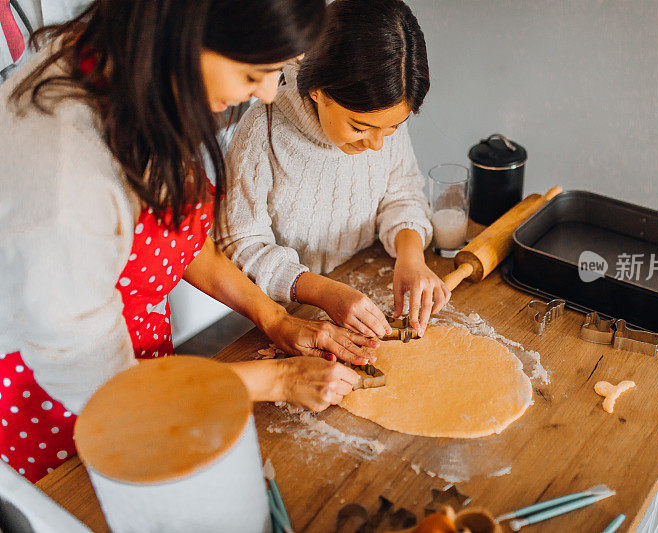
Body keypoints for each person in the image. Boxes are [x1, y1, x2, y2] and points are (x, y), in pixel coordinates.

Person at [0, 0, 375, 483]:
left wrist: (275, 318)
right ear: (186, 30)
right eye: (254, 73)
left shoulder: (132, 64)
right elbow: (110, 395)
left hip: (151, 372)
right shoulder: (65, 177)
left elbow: (175, 235)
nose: (265, 94)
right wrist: (278, 379)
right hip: (54, 405)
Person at [218, 0, 450, 342]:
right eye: (359, 127)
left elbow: (402, 193)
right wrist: (323, 292)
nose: (376, 145)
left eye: (392, 130)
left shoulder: (379, 117)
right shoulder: (262, 132)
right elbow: (239, 244)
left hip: (365, 278)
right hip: (286, 309)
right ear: (318, 90)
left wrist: (411, 256)